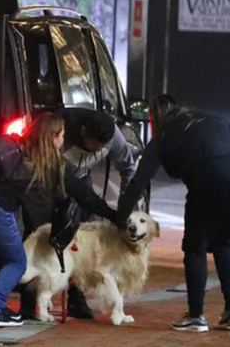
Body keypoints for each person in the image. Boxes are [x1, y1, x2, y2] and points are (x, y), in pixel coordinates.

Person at [0, 112, 117, 327]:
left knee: (4, 253)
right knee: (16, 261)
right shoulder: (47, 164)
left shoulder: (22, 150)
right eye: (61, 136)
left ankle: (0, 307)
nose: (63, 140)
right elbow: (82, 195)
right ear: (53, 136)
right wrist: (114, 216)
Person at [116, 94, 230, 332]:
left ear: (155, 118)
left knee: (195, 247)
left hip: (211, 179)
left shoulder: (162, 137)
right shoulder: (209, 119)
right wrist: (229, 157)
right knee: (224, 241)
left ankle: (196, 315)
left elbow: (139, 182)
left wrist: (119, 219)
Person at [57, 107, 137, 319]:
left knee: (82, 243)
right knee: (55, 234)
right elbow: (66, 182)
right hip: (54, 180)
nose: (98, 150)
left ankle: (77, 296)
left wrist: (124, 206)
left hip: (82, 178)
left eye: (103, 147)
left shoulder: (113, 135)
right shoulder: (61, 131)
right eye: (94, 145)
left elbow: (128, 169)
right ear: (83, 132)